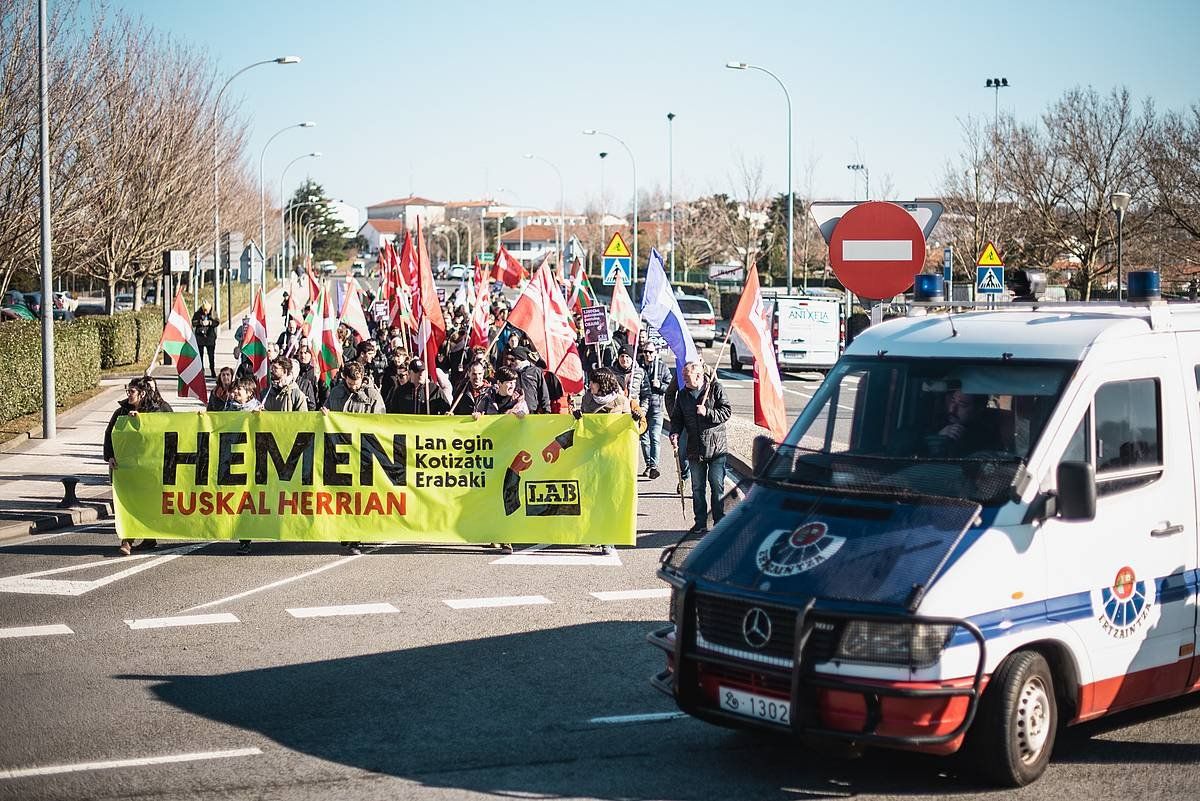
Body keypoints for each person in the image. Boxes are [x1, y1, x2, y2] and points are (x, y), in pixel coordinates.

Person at [104, 376, 173, 556]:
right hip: (126, 468)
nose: (129, 394)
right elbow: (110, 433)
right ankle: (127, 540)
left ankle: (149, 537)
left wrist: (143, 420)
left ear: (142, 393)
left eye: (132, 391)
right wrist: (109, 456)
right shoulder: (120, 412)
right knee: (128, 503)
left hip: (150, 468)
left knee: (147, 503)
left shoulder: (157, 410)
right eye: (128, 391)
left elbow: (171, 428)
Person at [322, 361, 383, 555]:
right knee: (342, 493)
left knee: (359, 495)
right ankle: (346, 532)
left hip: (363, 451)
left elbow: (380, 420)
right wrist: (325, 413)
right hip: (340, 450)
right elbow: (326, 410)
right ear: (344, 378)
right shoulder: (337, 393)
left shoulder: (372, 395)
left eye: (356, 383)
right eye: (350, 382)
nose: (354, 386)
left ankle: (356, 535)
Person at [669, 360, 732, 536]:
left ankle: (719, 521)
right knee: (697, 488)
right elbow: (677, 418)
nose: (684, 381)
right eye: (683, 378)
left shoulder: (715, 388)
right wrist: (674, 432)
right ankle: (700, 522)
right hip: (694, 447)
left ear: (698, 375)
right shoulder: (682, 395)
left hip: (716, 447)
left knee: (716, 485)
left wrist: (708, 413)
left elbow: (727, 412)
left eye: (687, 378)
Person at [637, 341, 671, 479]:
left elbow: (670, 387)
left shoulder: (662, 368)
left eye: (650, 352)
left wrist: (660, 385)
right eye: (645, 352)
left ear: (655, 353)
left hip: (657, 407)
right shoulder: (638, 367)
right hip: (642, 407)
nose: (647, 354)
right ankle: (648, 465)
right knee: (644, 438)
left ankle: (654, 466)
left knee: (655, 437)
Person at [386, 358, 450, 415]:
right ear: (409, 373)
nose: (421, 374)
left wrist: (447, 414)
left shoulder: (434, 389)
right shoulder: (401, 391)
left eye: (423, 371)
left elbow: (446, 410)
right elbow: (393, 413)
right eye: (417, 371)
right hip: (408, 426)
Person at [509, 345, 550, 413]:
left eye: (513, 360)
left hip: (532, 410)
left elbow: (544, 393)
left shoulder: (536, 371)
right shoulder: (510, 372)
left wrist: (546, 410)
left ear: (521, 359)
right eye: (510, 359)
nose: (511, 362)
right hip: (514, 411)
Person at [191, 301, 219, 378]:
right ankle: (201, 371)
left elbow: (217, 322)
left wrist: (209, 323)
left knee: (211, 356)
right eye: (204, 310)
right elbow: (193, 323)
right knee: (200, 356)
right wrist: (200, 322)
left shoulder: (213, 313)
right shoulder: (197, 313)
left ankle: (212, 370)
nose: (206, 312)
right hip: (200, 338)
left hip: (210, 338)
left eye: (207, 310)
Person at [294, 343, 323, 409]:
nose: (303, 355)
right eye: (301, 353)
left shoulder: (315, 371)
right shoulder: (295, 369)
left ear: (310, 355)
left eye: (305, 353)